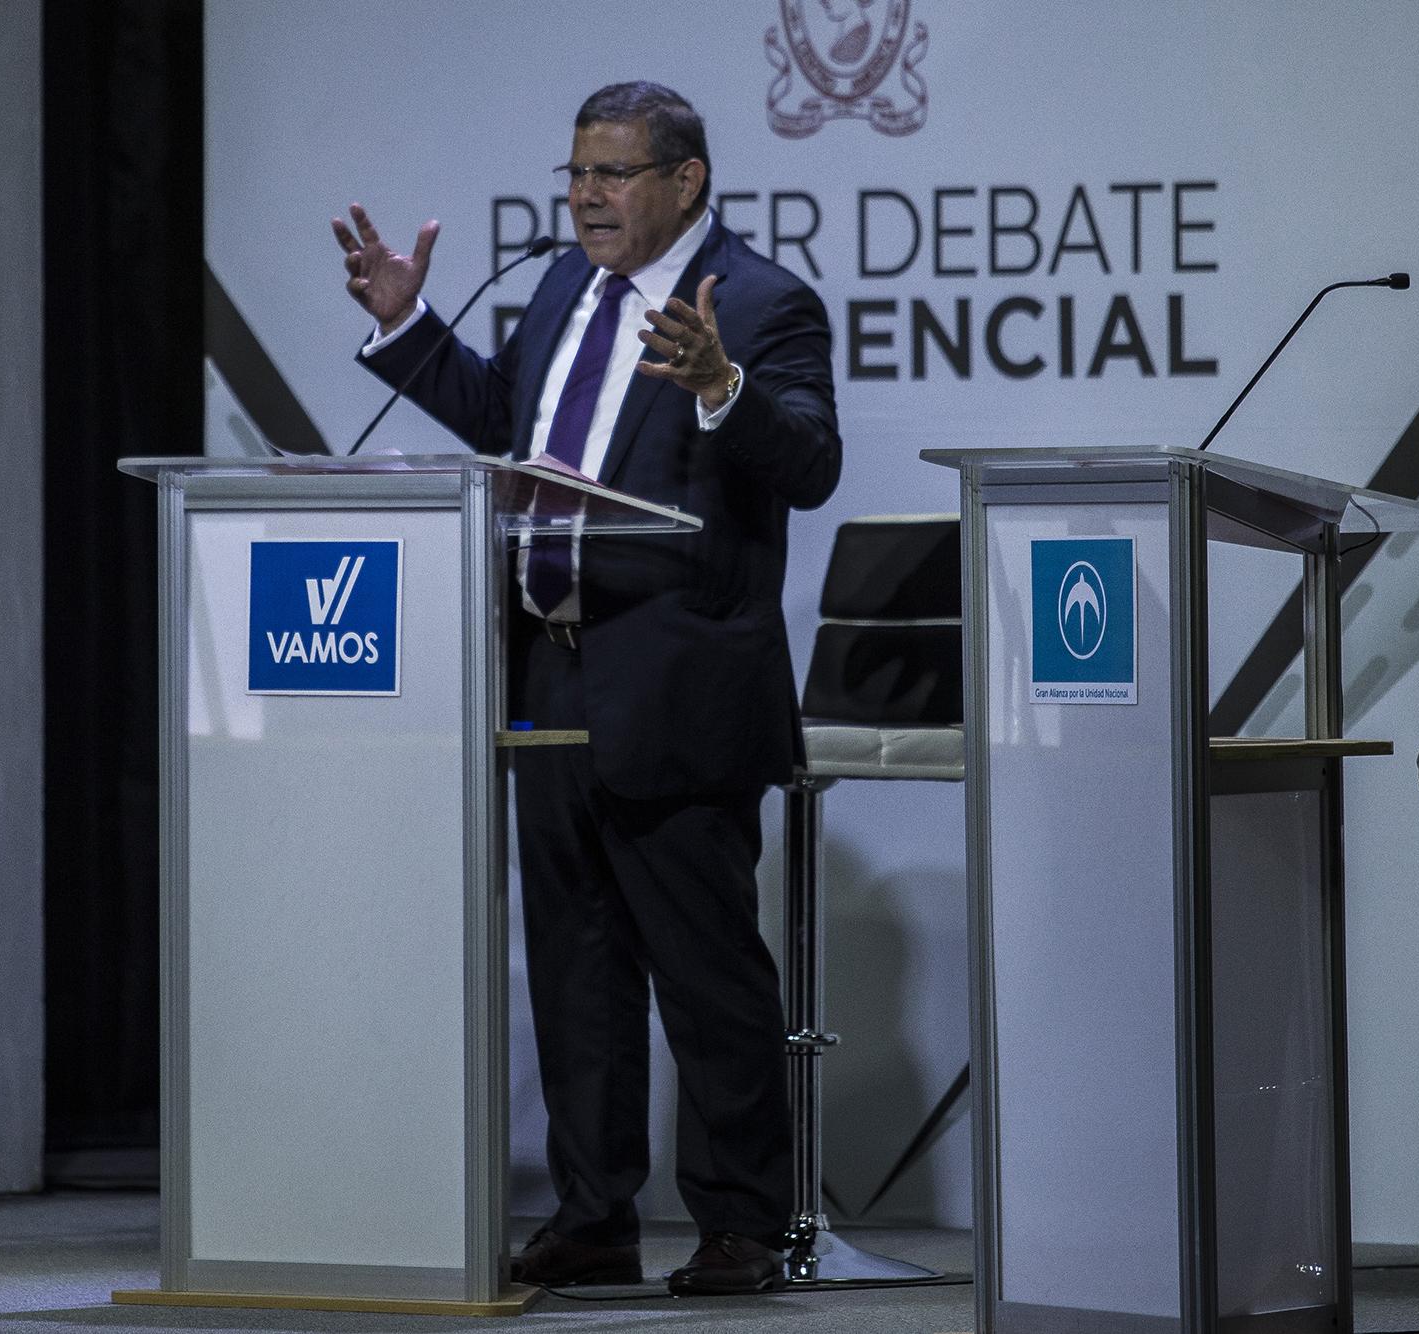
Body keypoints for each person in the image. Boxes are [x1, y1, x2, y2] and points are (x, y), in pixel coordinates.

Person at [332, 81, 839, 1296]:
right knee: (576, 970)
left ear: (686, 180)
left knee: (705, 971)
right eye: (575, 174)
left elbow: (810, 463)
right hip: (548, 669)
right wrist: (410, 332)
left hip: (677, 684)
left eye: (611, 175)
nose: (584, 198)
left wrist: (720, 386)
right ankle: (594, 1213)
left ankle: (738, 1224)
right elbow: (505, 422)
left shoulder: (766, 304)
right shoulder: (565, 290)